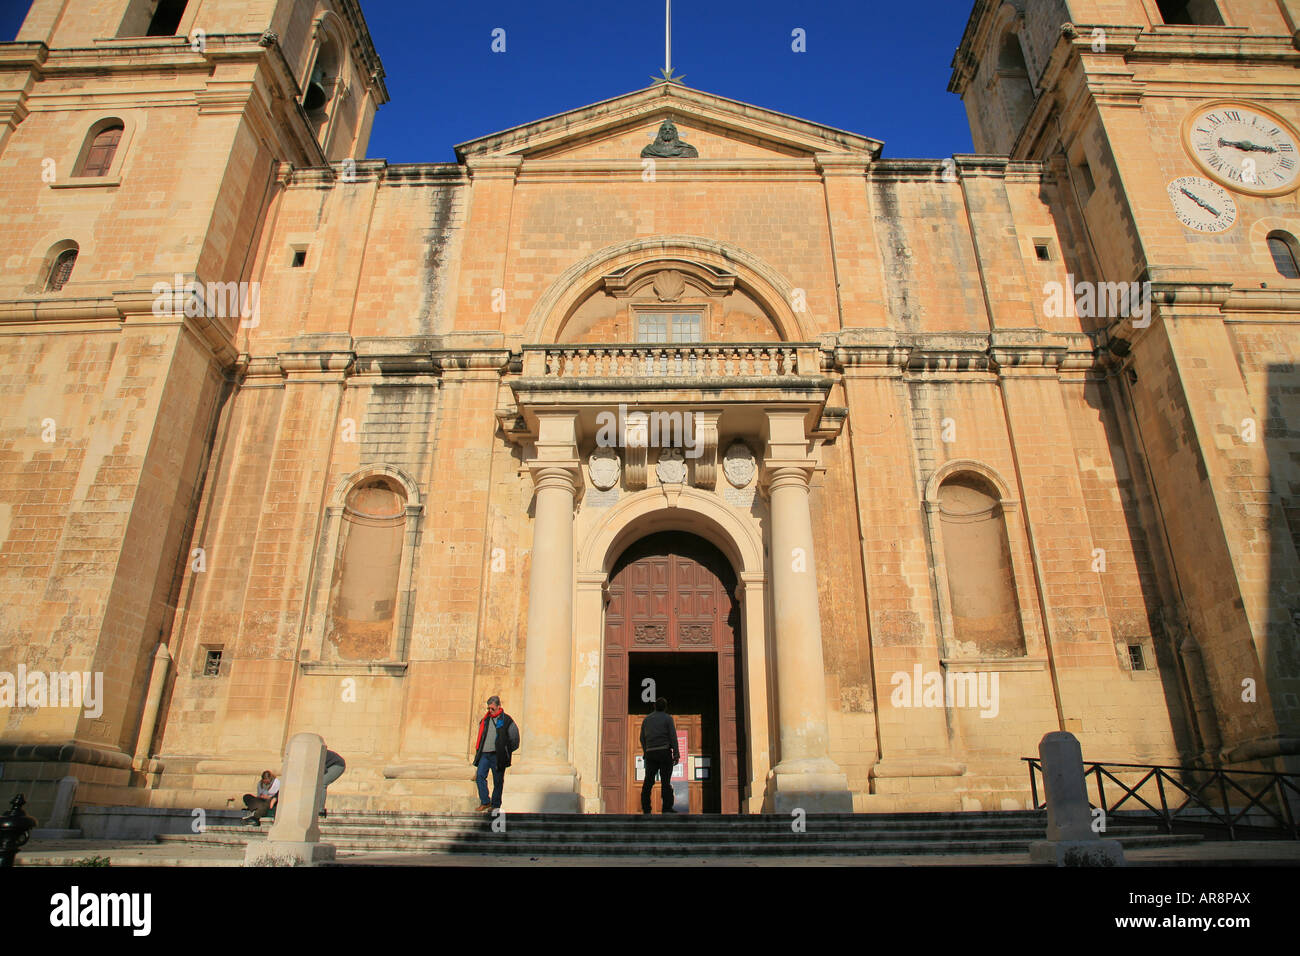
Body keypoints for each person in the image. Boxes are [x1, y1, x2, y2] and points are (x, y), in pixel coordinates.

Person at [472, 695, 520, 811]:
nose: (490, 711)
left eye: (492, 708)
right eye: (488, 708)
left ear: (499, 707)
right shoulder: (485, 720)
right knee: (479, 776)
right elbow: (481, 736)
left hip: (498, 755)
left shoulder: (506, 720)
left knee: (498, 780)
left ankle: (495, 805)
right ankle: (485, 801)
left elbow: (515, 739)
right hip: (484, 753)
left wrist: (506, 750)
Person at [640, 697, 680, 814]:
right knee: (665, 782)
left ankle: (646, 808)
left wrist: (645, 751)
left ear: (654, 706)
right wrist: (676, 754)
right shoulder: (668, 719)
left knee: (648, 781)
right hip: (664, 752)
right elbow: (673, 737)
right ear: (665, 707)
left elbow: (642, 738)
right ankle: (667, 808)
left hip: (651, 753)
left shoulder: (647, 720)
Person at [319, 747, 345, 819]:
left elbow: (322, 769)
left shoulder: (316, 753)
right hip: (328, 764)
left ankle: (320, 810)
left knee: (322, 783)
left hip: (338, 764)